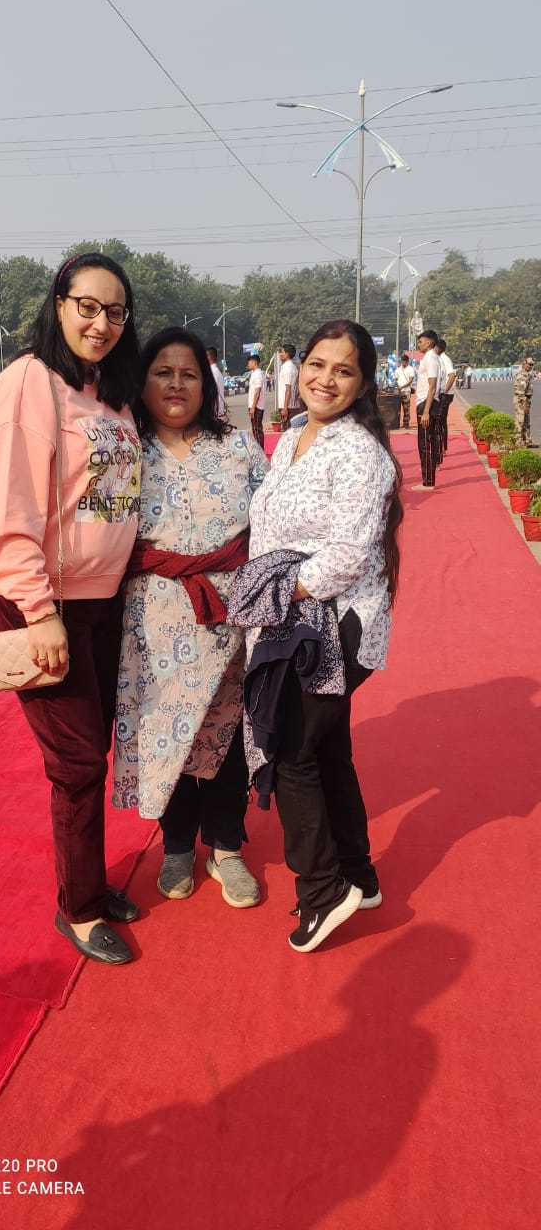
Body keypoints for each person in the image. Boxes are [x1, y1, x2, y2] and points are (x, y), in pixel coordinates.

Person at [0, 252, 142, 966]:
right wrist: (39, 611)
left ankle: (90, 883)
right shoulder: (30, 381)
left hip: (104, 603)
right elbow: (10, 506)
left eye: (115, 312)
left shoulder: (110, 394)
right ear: (59, 304)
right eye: (87, 307)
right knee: (77, 762)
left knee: (93, 751)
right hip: (47, 603)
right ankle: (77, 909)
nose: (101, 323)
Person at [243, 319, 403, 952]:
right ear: (300, 365)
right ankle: (358, 876)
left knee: (292, 752)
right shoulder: (292, 436)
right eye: (317, 364)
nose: (326, 379)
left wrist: (270, 592)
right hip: (295, 619)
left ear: (362, 383)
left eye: (344, 370)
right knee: (329, 748)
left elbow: (346, 556)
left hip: (333, 624)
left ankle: (322, 890)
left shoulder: (359, 452)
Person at [113, 327, 268, 907]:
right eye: (163, 372)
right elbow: (96, 532)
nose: (176, 384)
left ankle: (226, 846)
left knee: (227, 733)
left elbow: (274, 520)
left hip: (230, 616)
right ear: (142, 382)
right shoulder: (126, 450)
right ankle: (177, 844)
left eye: (189, 374)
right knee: (165, 733)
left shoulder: (238, 447)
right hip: (152, 623)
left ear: (206, 385)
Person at [412, 330, 442, 490]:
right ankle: (428, 478)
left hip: (427, 404)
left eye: (421, 342)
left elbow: (432, 386)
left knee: (425, 444)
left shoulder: (431, 359)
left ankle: (428, 481)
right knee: (427, 442)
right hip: (425, 402)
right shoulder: (430, 358)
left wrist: (425, 412)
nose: (419, 345)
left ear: (429, 343)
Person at [435, 339, 456, 457]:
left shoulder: (445, 359)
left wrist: (444, 391)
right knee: (441, 421)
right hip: (442, 393)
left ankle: (442, 447)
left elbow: (452, 376)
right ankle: (442, 446)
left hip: (445, 394)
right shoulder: (438, 359)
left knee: (440, 420)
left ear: (438, 348)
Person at [513, 357, 537, 448]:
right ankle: (518, 442)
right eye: (529, 364)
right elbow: (520, 392)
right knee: (520, 422)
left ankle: (527, 441)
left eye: (532, 365)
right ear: (524, 364)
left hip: (526, 400)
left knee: (526, 422)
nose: (531, 366)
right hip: (521, 401)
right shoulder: (522, 376)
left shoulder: (527, 375)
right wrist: (525, 404)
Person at [278, 344, 301, 430]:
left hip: (288, 407)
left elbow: (288, 389)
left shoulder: (287, 368)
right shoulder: (293, 367)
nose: (280, 354)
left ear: (287, 354)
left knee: (287, 432)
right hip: (292, 405)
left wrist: (285, 408)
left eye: (282, 352)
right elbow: (298, 386)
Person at [247, 353, 265, 449]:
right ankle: (260, 450)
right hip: (255, 405)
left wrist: (253, 407)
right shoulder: (255, 373)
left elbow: (257, 392)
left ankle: (260, 450)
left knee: (257, 430)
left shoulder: (258, 374)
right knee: (256, 429)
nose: (248, 364)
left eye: (249, 362)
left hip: (257, 406)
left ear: (254, 362)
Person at [205, 346, 226, 419]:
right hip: (216, 411)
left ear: (208, 357)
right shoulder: (215, 371)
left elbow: (211, 393)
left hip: (214, 412)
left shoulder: (212, 372)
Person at [395, 353, 414, 429]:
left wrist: (402, 387)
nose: (403, 363)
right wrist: (397, 386)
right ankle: (396, 423)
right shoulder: (398, 370)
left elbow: (410, 381)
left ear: (408, 361)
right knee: (396, 408)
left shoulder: (410, 369)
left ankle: (406, 423)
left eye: (405, 362)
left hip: (406, 391)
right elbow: (396, 379)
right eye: (402, 362)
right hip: (398, 391)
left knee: (406, 408)